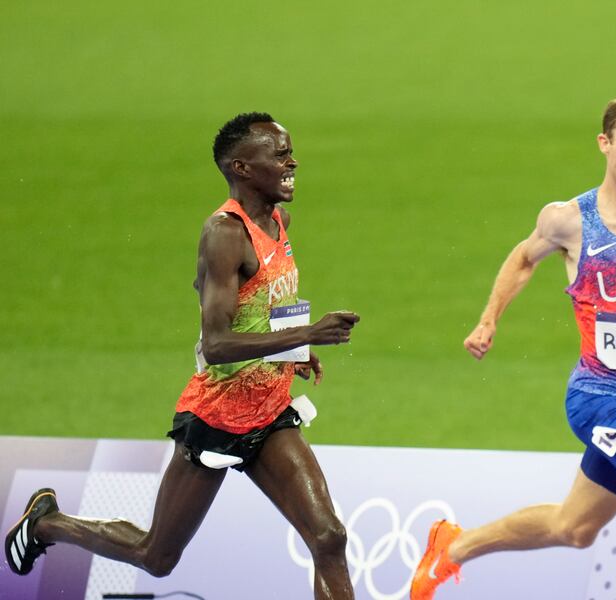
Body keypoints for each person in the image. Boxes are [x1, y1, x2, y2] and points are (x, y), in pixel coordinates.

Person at [4, 113, 361, 600]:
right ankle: (49, 525)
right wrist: (309, 333)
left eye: (289, 150)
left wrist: (296, 350)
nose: (291, 161)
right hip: (216, 417)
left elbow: (266, 304)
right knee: (156, 557)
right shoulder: (225, 234)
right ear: (241, 167)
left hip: (270, 412)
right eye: (278, 154)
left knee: (329, 538)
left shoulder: (278, 220)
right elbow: (216, 346)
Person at [411, 94, 616, 600]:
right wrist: (489, 320)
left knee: (575, 528)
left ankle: (452, 548)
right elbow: (524, 259)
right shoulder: (569, 220)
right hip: (599, 399)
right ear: (605, 143)